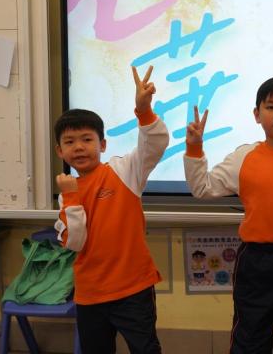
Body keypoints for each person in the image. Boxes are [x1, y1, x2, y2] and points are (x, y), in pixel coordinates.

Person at [184, 76, 273, 354]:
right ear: (257, 115)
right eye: (271, 107)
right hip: (258, 261)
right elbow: (202, 188)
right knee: (250, 339)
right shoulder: (244, 157)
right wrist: (195, 147)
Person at [53, 66, 169, 354]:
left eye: (87, 139)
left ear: (102, 144)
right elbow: (75, 242)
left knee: (145, 349)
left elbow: (155, 145)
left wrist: (144, 110)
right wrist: (71, 197)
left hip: (133, 288)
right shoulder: (67, 192)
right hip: (90, 293)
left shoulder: (123, 170)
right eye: (69, 142)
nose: (79, 147)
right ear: (59, 151)